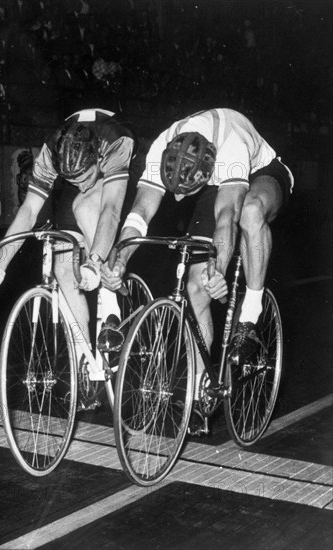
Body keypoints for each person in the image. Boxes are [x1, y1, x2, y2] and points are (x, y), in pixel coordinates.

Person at [102, 107, 294, 401]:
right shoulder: (162, 147)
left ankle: (251, 312)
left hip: (261, 173)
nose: (177, 199)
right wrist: (120, 261)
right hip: (214, 185)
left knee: (250, 213)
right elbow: (140, 213)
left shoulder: (232, 148)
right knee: (195, 287)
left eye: (182, 193)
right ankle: (199, 387)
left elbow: (227, 217)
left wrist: (217, 269)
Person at [0, 107, 142, 354]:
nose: (81, 185)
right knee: (63, 265)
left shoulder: (115, 143)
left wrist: (94, 263)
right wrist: (0, 265)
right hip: (78, 165)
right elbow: (28, 212)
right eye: (74, 180)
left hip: (118, 170)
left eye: (83, 178)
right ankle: (82, 354)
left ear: (96, 158)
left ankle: (110, 303)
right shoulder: (52, 152)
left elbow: (110, 210)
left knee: (86, 206)